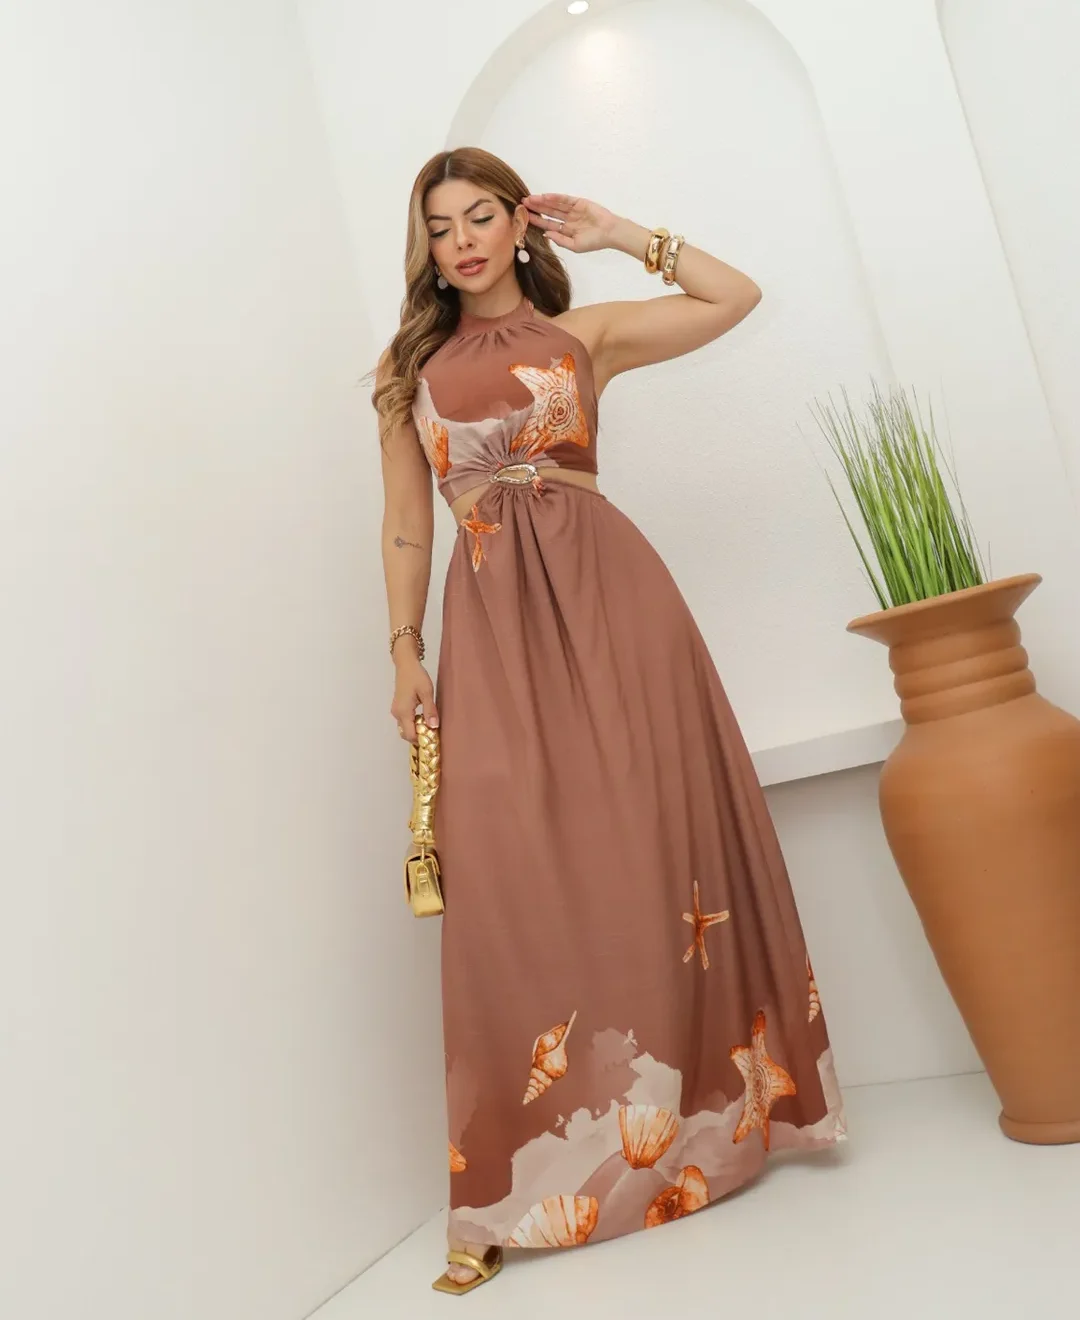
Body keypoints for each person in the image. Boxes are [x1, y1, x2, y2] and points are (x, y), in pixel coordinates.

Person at [372, 147, 845, 1296]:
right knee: (508, 869)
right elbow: (406, 524)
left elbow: (735, 296)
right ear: (425, 246)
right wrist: (405, 652)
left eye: (481, 216)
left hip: (616, 608)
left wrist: (622, 230)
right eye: (440, 226)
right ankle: (511, 1185)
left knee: (650, 847)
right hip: (493, 632)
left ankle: (697, 1131)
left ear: (517, 225)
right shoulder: (407, 371)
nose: (462, 241)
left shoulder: (583, 338)